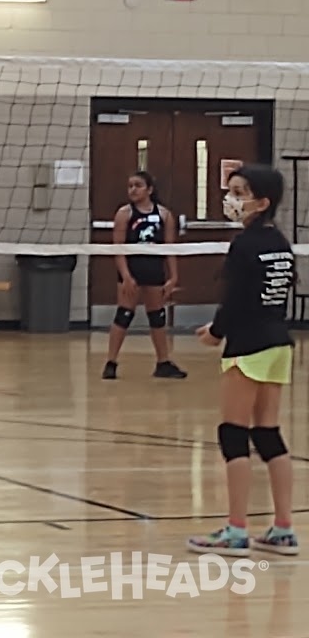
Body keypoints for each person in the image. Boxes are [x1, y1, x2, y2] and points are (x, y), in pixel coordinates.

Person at [189, 164, 297, 557]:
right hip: (277, 342)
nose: (231, 200)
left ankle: (236, 530)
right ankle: (283, 528)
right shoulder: (280, 242)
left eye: (239, 193)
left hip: (248, 345)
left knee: (233, 433)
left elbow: (234, 301)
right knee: (267, 433)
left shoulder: (245, 244)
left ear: (262, 202)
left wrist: (215, 333)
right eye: (230, 191)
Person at [102, 171, 185, 380]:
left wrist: (173, 277)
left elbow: (169, 247)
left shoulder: (165, 214)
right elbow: (118, 248)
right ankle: (111, 363)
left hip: (154, 270)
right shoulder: (124, 213)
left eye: (138, 185)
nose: (132, 190)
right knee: (124, 315)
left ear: (149, 189)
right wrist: (126, 276)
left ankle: (163, 362)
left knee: (157, 317)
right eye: (130, 186)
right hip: (132, 270)